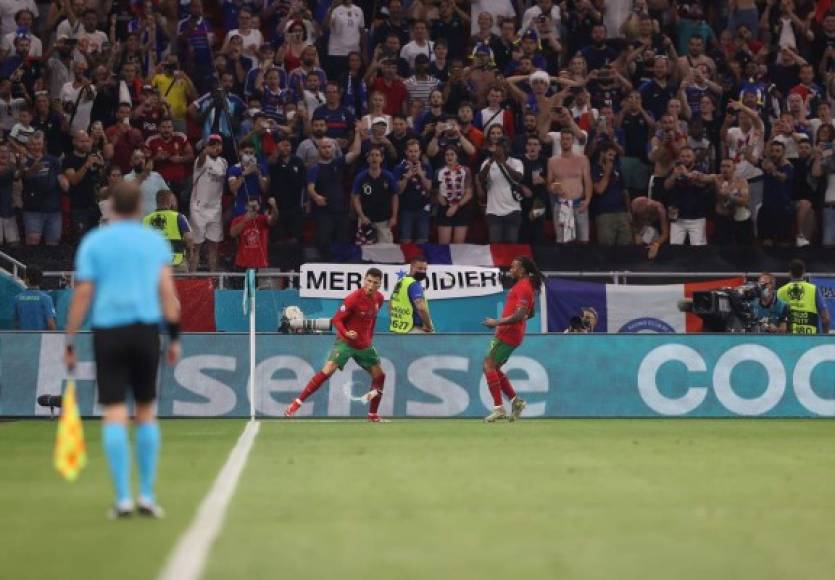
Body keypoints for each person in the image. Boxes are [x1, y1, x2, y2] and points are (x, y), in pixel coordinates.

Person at [63, 181, 181, 518]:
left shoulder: (95, 242)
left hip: (108, 332)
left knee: (114, 411)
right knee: (145, 411)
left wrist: (69, 339)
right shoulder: (153, 241)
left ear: (111, 207)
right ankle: (146, 495)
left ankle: (123, 499)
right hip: (145, 332)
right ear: (140, 208)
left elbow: (83, 294)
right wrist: (173, 338)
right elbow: (167, 294)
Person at [284, 268, 389, 422]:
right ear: (363, 279)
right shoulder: (352, 299)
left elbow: (371, 321)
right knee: (328, 369)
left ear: (380, 284)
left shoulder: (379, 298)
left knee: (380, 376)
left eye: (375, 283)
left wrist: (369, 339)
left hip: (364, 345)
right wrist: (346, 333)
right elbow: (337, 320)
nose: (371, 285)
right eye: (368, 281)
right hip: (346, 343)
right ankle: (296, 403)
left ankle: (372, 415)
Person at [481, 256, 542, 423]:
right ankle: (516, 402)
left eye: (514, 267)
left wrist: (497, 322)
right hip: (511, 332)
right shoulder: (525, 286)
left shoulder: (524, 287)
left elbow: (521, 314)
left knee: (488, 365)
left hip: (508, 333)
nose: (511, 269)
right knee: (494, 367)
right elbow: (531, 313)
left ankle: (498, 408)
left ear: (522, 270)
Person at [189, 135, 228, 271]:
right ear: (206, 147)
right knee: (196, 246)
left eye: (219, 145)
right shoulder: (201, 160)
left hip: (215, 208)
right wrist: (205, 150)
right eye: (213, 145)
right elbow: (201, 159)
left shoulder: (223, 162)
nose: (217, 147)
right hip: (198, 208)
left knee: (214, 246)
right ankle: (192, 279)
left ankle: (214, 281)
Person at [351, 147, 399, 244]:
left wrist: (394, 216)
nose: (374, 158)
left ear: (381, 158)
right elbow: (355, 198)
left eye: (377, 155)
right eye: (372, 155)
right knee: (365, 250)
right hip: (366, 220)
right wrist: (362, 216)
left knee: (385, 250)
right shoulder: (361, 177)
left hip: (384, 220)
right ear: (368, 159)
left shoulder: (388, 176)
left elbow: (394, 197)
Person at [143, 190, 194, 273]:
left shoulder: (146, 219)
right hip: (176, 263)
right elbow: (189, 238)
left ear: (157, 201)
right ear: (169, 201)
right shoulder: (179, 217)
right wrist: (190, 252)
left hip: (155, 265)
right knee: (182, 286)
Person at [777, 259, 831, 335]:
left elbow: (776, 318)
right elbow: (826, 319)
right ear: (804, 272)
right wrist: (825, 337)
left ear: (789, 273)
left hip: (788, 339)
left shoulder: (780, 291)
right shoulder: (813, 289)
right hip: (811, 338)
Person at [230, 197, 279, 270]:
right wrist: (246, 220)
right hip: (243, 263)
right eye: (251, 207)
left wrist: (274, 206)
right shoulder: (238, 220)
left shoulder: (263, 219)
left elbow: (273, 220)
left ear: (259, 207)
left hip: (260, 263)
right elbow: (233, 234)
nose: (253, 209)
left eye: (255, 206)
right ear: (246, 207)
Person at [389, 256, 435, 334]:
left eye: (425, 269)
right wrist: (429, 326)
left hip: (398, 330)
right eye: (420, 268)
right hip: (414, 330)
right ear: (412, 267)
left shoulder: (400, 282)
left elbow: (390, 305)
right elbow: (421, 308)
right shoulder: (414, 284)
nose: (423, 272)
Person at [13, 266, 56, 331]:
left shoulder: (17, 299)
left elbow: (15, 324)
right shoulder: (46, 299)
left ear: (27, 279)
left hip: (22, 339)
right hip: (40, 339)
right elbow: (51, 324)